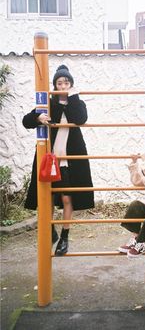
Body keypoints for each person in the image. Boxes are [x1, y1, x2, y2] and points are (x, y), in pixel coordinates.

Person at [22, 65, 94, 256]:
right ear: (54, 85)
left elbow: (80, 119)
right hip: (50, 161)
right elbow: (26, 121)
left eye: (66, 83)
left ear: (71, 85)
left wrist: (72, 97)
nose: (62, 86)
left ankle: (64, 237)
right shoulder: (48, 104)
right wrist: (38, 117)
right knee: (48, 199)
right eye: (59, 83)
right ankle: (50, 230)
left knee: (67, 197)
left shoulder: (76, 103)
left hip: (70, 161)